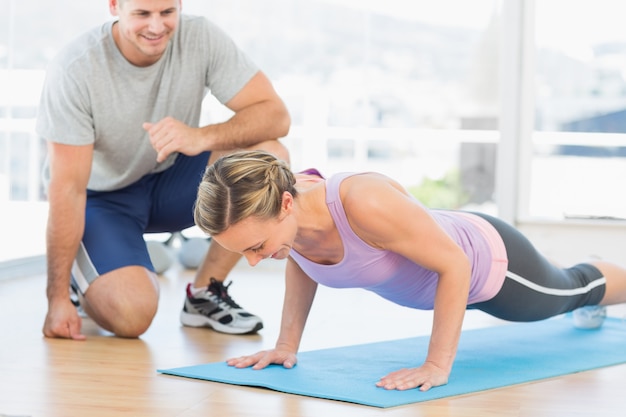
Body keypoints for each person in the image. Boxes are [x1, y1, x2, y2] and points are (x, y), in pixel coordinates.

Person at [192, 150, 626, 392]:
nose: (252, 261)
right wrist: (286, 345)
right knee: (570, 291)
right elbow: (303, 263)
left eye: (256, 247)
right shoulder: (287, 215)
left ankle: (599, 277)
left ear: (286, 206)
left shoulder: (362, 200)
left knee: (571, 291)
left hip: (489, 264)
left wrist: (437, 364)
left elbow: (454, 262)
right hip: (443, 262)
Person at [37, 0, 290, 340]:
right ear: (115, 6)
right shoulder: (76, 68)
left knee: (270, 154)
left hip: (169, 181)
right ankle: (80, 282)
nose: (156, 27)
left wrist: (201, 136)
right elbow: (67, 190)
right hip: (101, 199)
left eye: (167, 12)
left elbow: (276, 115)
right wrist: (54, 300)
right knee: (132, 316)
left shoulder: (200, 36)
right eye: (142, 14)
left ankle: (204, 293)